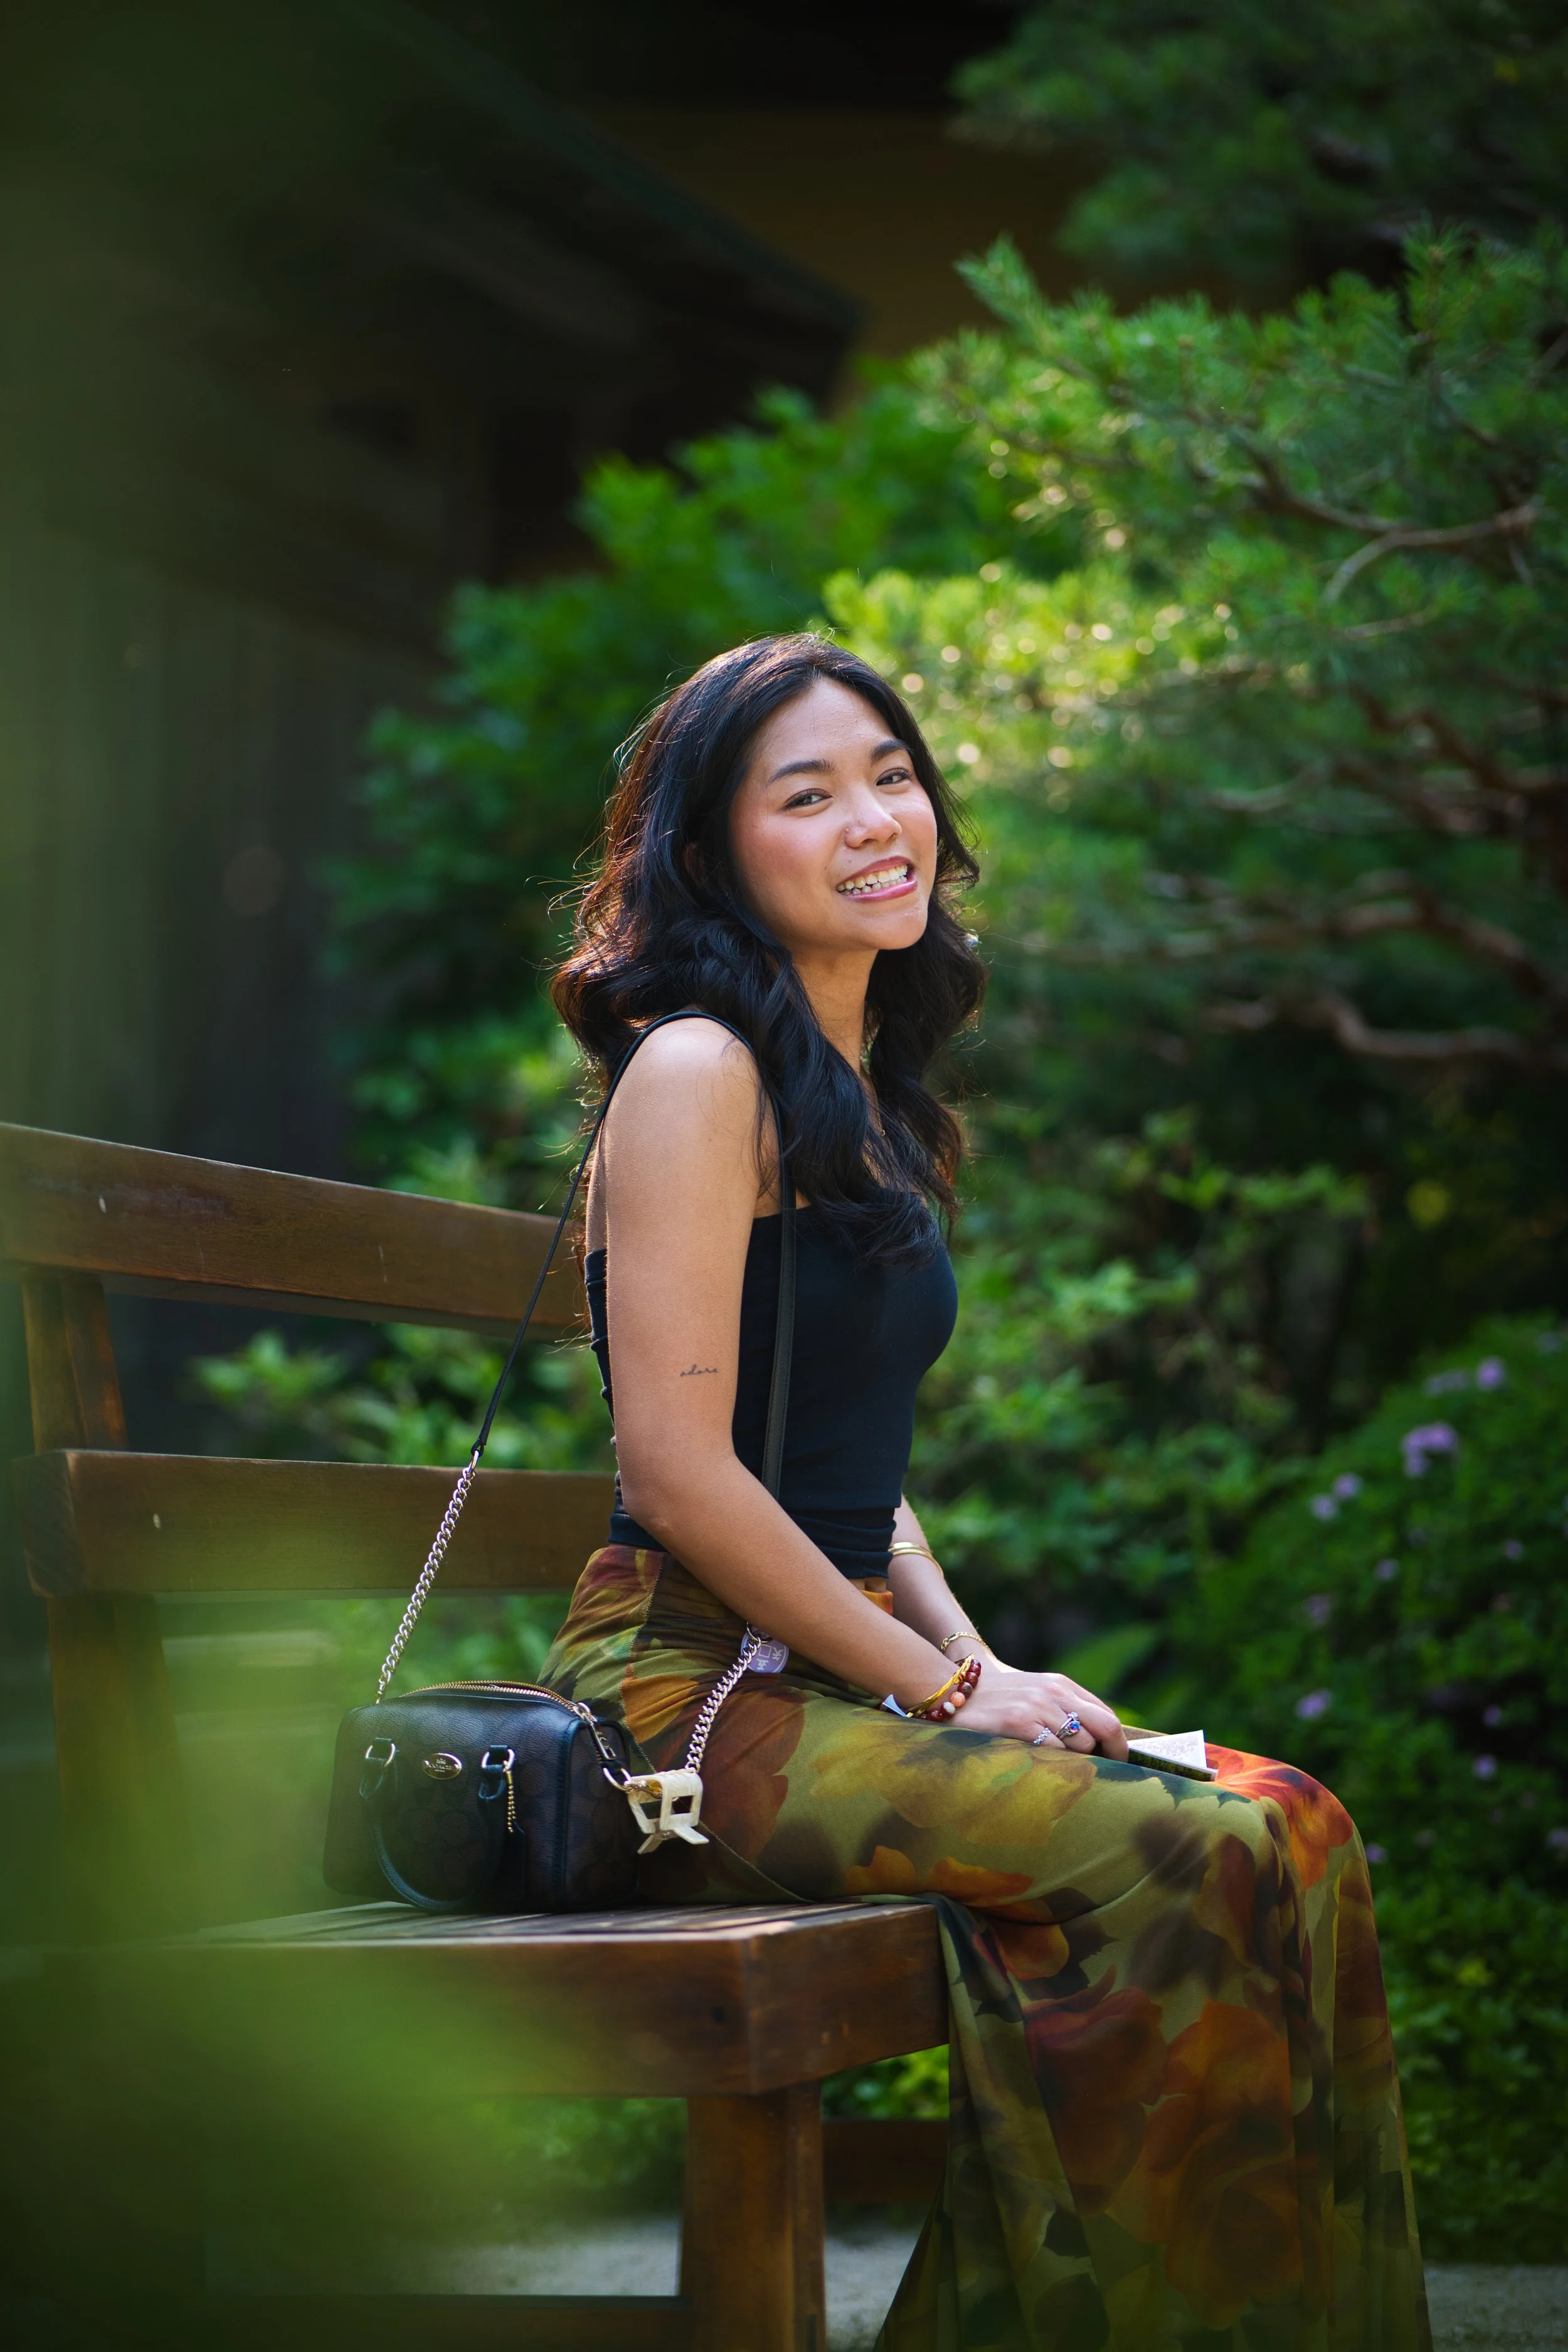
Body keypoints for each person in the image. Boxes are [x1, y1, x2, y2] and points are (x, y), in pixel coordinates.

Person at [541, 635, 1431, 2351]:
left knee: (1289, 1822)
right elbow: (683, 1471)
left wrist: (985, 1666)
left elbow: (860, 1489)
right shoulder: (696, 1073)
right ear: (715, 858)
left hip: (817, 1686)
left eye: (892, 772)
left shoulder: (858, 1106)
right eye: (807, 794)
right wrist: (953, 1690)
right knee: (1176, 1856)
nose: (877, 816)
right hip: (680, 1702)